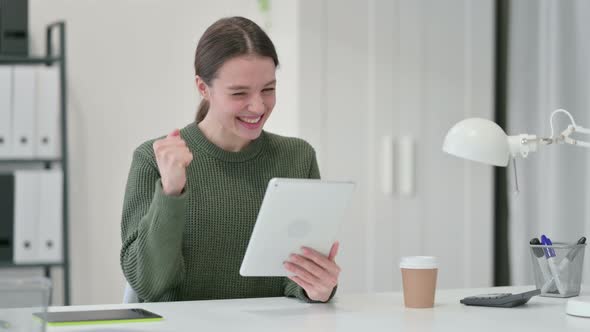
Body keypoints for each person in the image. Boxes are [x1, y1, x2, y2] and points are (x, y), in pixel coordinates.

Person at [120, 16, 340, 303]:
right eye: (239, 93)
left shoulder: (297, 158)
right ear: (203, 88)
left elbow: (295, 278)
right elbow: (148, 284)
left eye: (268, 89)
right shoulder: (153, 159)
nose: (258, 106)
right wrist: (171, 192)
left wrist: (318, 287)